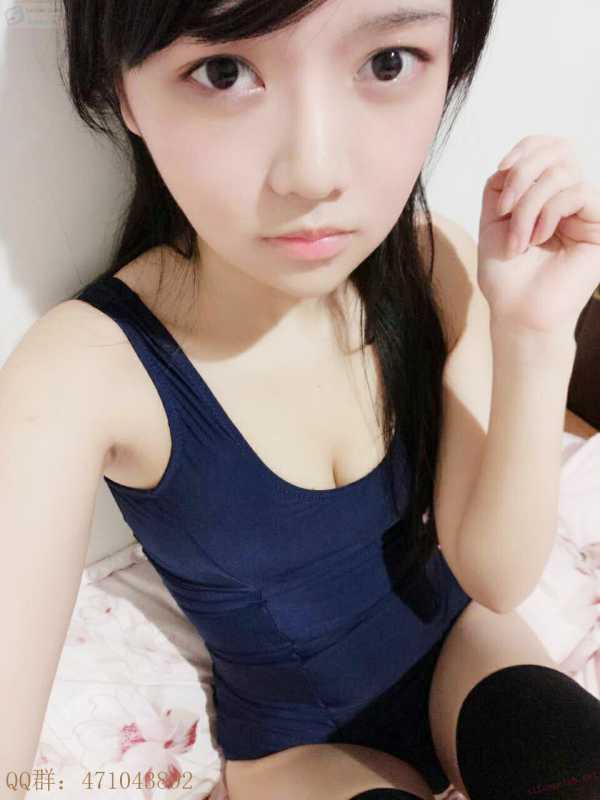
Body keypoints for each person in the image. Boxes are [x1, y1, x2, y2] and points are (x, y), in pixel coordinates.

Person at [2, 1, 600, 800]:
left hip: (472, 646)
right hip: (299, 742)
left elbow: (494, 576)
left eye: (388, 62)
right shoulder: (84, 370)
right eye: (224, 72)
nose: (315, 173)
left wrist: (534, 337)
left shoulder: (436, 265)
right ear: (122, 90)